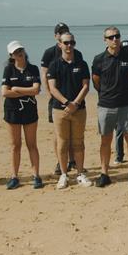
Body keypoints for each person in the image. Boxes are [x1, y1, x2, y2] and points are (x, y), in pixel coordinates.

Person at [91, 28, 128, 187]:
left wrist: (126, 95)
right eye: (111, 37)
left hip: (127, 105)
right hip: (106, 106)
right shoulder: (99, 59)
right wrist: (108, 95)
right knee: (105, 140)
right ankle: (104, 173)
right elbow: (96, 82)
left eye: (117, 36)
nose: (114, 39)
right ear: (105, 39)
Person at [47, 32, 92, 189]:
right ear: (60, 44)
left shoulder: (81, 64)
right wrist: (66, 102)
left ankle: (80, 173)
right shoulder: (54, 65)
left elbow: (86, 86)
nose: (69, 45)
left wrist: (76, 103)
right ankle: (64, 174)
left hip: (79, 109)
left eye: (72, 42)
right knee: (62, 142)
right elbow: (52, 88)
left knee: (78, 142)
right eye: (66, 43)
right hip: (60, 110)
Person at [41, 22, 83, 175]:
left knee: (74, 135)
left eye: (65, 32)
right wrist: (51, 95)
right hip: (56, 99)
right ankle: (60, 161)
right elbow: (45, 75)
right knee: (59, 135)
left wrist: (76, 101)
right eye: (60, 33)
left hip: (74, 100)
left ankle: (73, 160)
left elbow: (81, 79)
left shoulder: (77, 53)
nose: (62, 35)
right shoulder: (49, 53)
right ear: (56, 37)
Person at [1, 41, 43, 189]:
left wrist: (17, 89)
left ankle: (36, 176)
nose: (19, 53)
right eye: (15, 51)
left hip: (30, 111)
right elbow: (4, 92)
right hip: (12, 112)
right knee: (15, 145)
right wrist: (27, 90)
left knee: (32, 144)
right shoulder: (8, 70)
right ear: (11, 55)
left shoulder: (33, 69)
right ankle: (14, 177)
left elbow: (36, 90)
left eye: (20, 49)